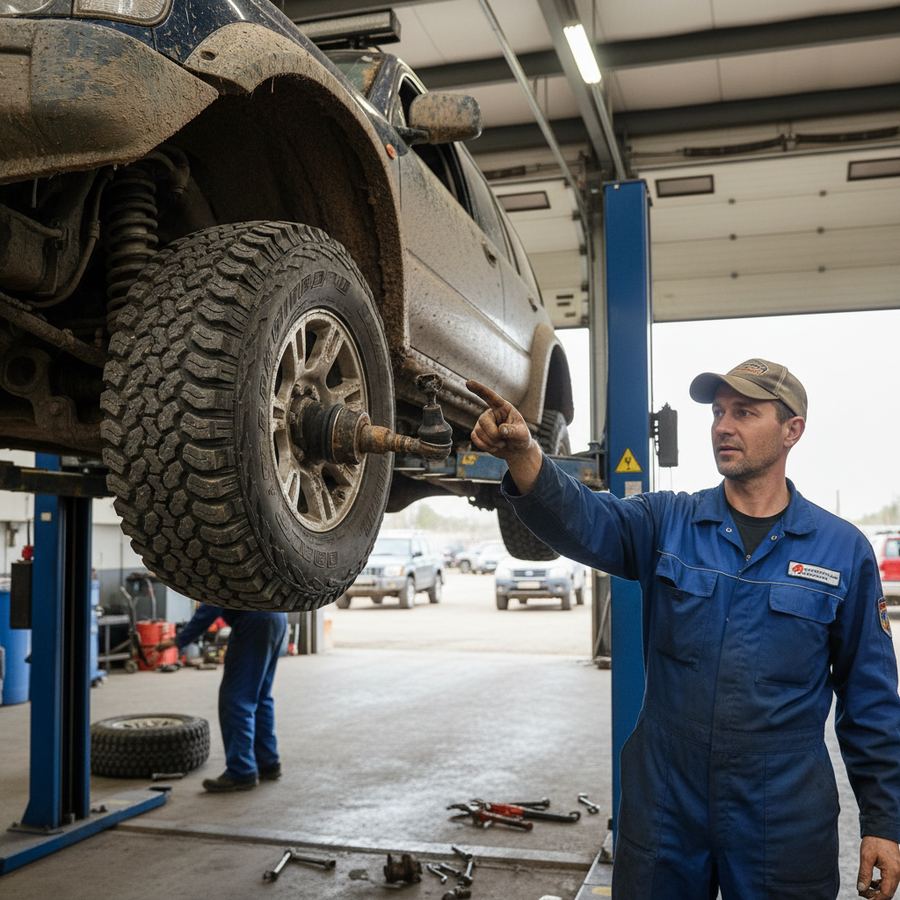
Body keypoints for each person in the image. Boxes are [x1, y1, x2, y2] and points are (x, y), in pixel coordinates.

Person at [467, 359, 900, 900]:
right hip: (667, 795)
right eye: (719, 412)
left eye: (745, 412)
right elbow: (585, 520)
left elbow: (871, 696)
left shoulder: (840, 551)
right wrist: (526, 454)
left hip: (782, 808)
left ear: (792, 430)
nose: (723, 425)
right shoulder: (666, 522)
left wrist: (884, 820)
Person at [157, 605, 287, 792]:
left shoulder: (216, 574)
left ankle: (241, 771)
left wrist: (179, 640)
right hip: (276, 616)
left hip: (252, 622)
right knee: (260, 695)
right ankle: (268, 763)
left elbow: (211, 606)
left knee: (236, 699)